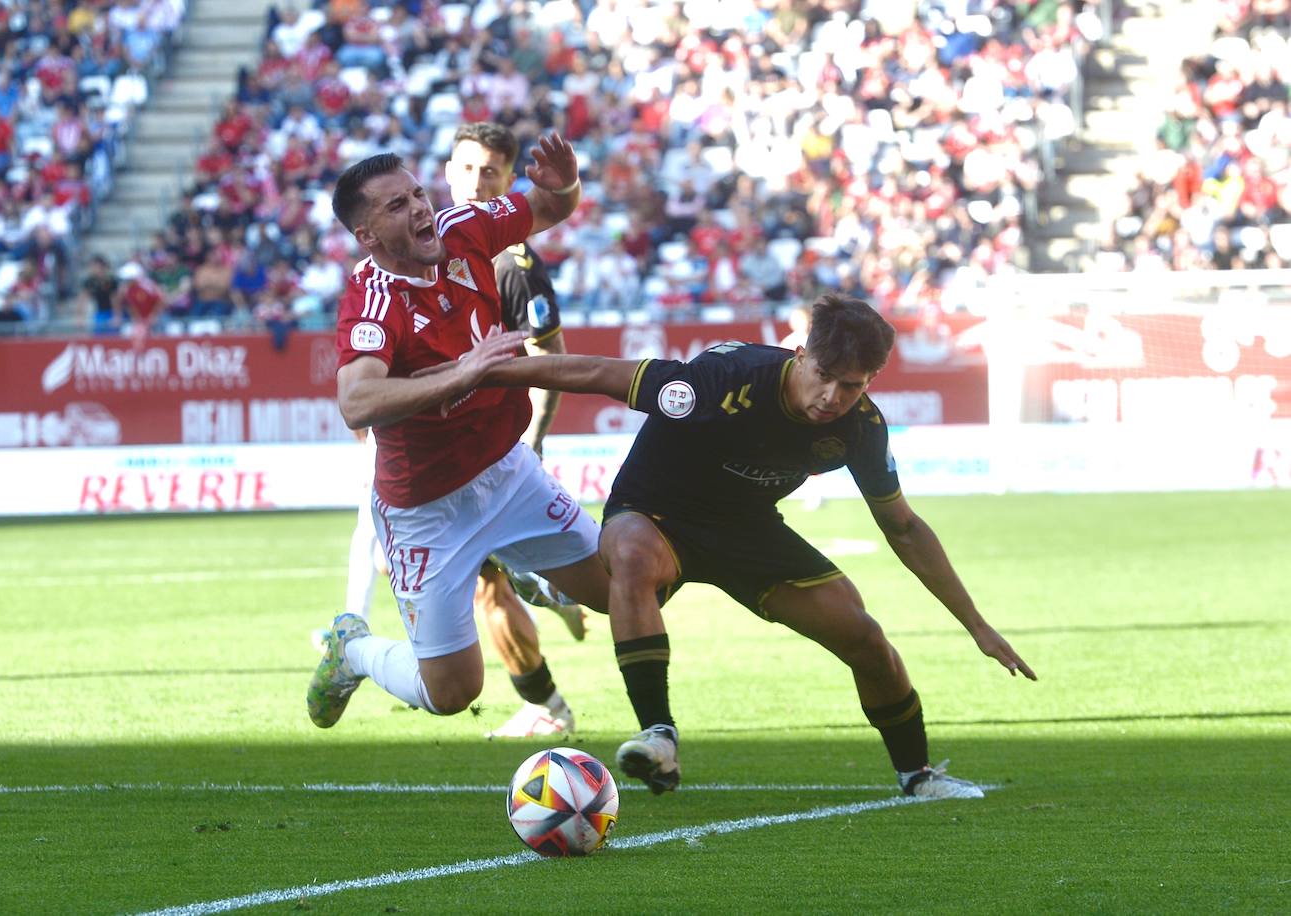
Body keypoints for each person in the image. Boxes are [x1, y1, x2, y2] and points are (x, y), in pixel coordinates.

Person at [420, 293, 1036, 798]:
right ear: (801, 354)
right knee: (630, 559)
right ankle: (658, 736)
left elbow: (903, 527)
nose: (831, 397)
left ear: (869, 382)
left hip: (746, 529)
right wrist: (481, 370)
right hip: (658, 512)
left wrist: (976, 625)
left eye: (850, 386)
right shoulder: (726, 379)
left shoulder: (860, 426)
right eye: (823, 377)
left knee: (865, 638)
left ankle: (919, 776)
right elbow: (596, 373)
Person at [308, 136, 613, 730]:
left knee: (615, 590)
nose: (421, 208)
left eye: (417, 193)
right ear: (367, 236)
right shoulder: (371, 299)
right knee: (451, 690)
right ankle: (353, 651)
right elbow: (357, 400)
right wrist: (462, 373)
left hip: (507, 471)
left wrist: (566, 181)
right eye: (396, 207)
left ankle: (623, 716)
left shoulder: (464, 227)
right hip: (426, 509)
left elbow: (552, 206)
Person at [443, 121, 586, 739]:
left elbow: (547, 356)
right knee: (489, 585)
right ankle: (554, 588)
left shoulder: (512, 260)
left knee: (485, 591)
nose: (476, 184)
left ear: (509, 181)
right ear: (448, 170)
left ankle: (546, 704)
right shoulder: (433, 246)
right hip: (451, 453)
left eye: (491, 173)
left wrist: (530, 442)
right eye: (467, 168)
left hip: (493, 455)